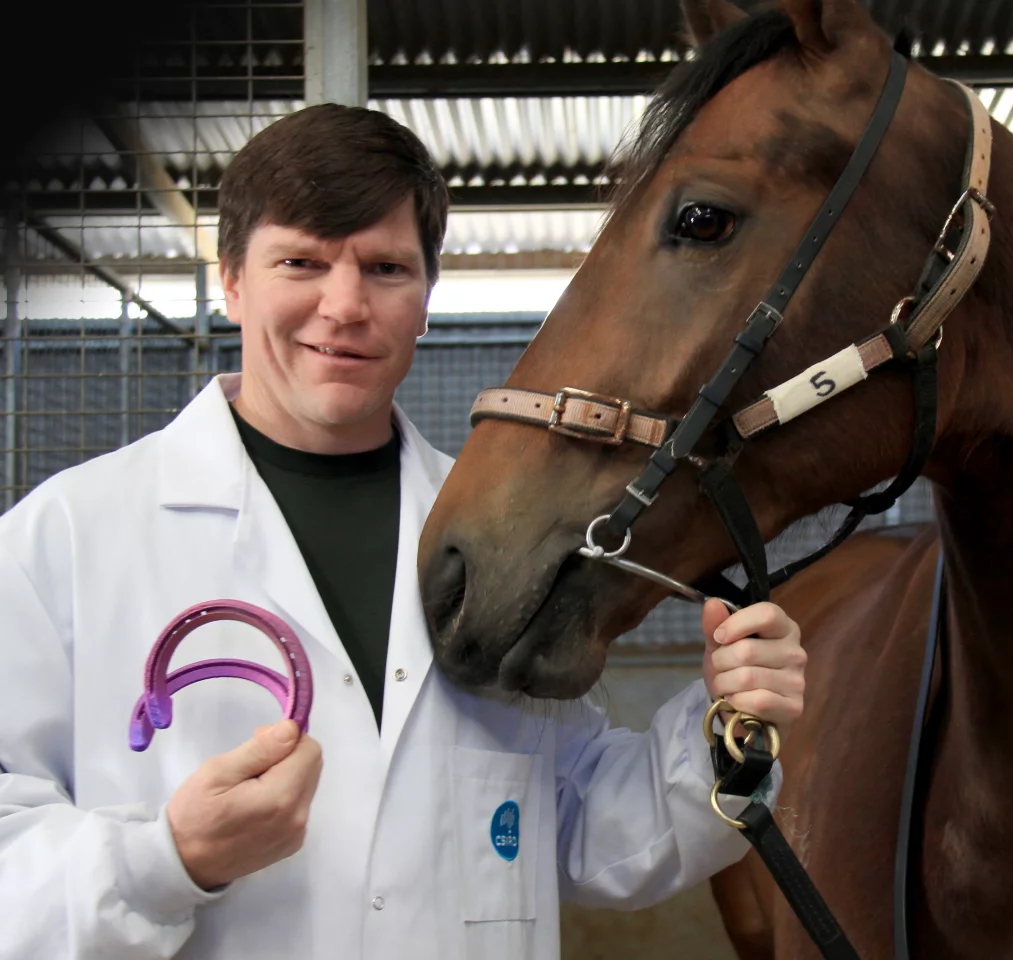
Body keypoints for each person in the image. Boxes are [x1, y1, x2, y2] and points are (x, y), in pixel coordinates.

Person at [0, 104, 807, 960]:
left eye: (385, 267)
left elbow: (580, 832)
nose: (344, 306)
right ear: (233, 279)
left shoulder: (498, 539)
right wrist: (167, 860)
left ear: (426, 295)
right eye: (300, 262)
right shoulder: (66, 539)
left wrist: (727, 725)